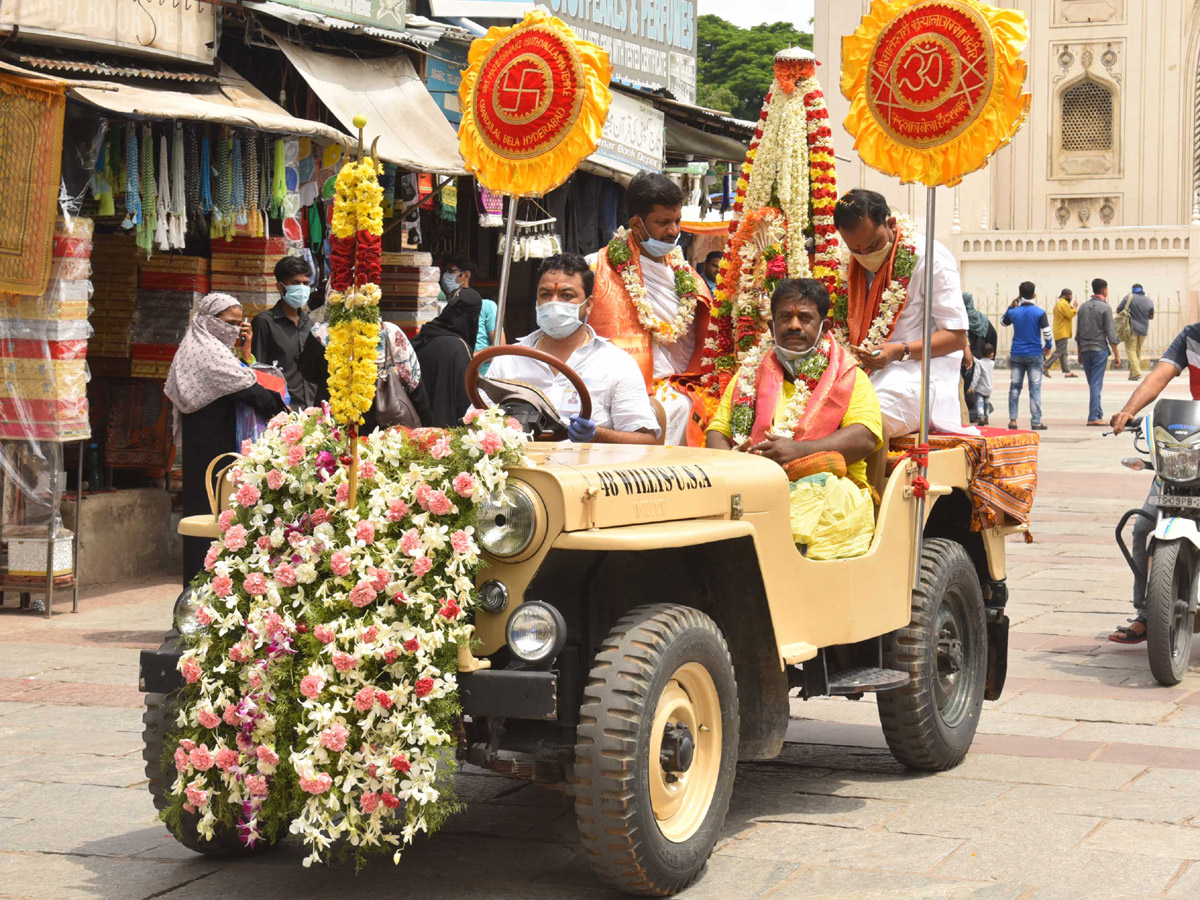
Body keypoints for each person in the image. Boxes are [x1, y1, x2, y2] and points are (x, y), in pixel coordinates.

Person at [707, 278, 882, 559]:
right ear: (771, 326)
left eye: (805, 318)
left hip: (830, 488)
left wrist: (798, 452)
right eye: (785, 317)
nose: (794, 326)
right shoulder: (747, 376)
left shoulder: (851, 377)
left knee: (800, 505)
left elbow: (864, 437)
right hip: (750, 485)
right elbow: (717, 431)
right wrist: (735, 465)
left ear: (824, 327)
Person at [165, 293, 287, 585]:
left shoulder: (211, 348)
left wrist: (246, 353)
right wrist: (285, 412)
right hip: (210, 449)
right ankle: (197, 599)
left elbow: (243, 376)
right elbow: (250, 390)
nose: (234, 330)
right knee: (209, 522)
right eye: (229, 323)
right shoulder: (206, 352)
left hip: (215, 446)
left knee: (222, 521)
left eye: (239, 324)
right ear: (208, 321)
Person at [833, 189, 971, 442]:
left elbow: (956, 337)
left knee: (868, 418)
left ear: (891, 223)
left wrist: (899, 351)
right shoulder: (848, 264)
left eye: (873, 246)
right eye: (856, 249)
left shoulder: (929, 258)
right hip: (860, 372)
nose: (865, 255)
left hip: (916, 372)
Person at [590, 172, 714, 446]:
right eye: (663, 222)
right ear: (636, 223)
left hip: (681, 389)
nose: (673, 231)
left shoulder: (687, 277)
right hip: (612, 392)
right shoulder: (596, 269)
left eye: (677, 221)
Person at [482, 254, 660, 443]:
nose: (554, 303)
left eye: (567, 296)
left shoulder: (617, 363)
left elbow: (645, 440)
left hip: (587, 468)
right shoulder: (508, 359)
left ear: (589, 305)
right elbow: (475, 421)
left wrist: (597, 435)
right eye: (545, 295)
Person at [1108, 323, 1200, 641]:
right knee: (1144, 527)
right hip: (1193, 448)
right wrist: (1129, 411)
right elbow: (1159, 375)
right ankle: (1147, 614)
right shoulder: (1191, 336)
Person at [312, 318, 433, 431]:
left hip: (333, 422)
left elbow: (309, 374)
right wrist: (427, 425)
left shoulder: (320, 333)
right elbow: (413, 383)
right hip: (384, 425)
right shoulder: (390, 331)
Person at [250, 256, 327, 410]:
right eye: (295, 283)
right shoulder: (265, 322)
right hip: (283, 409)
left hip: (312, 409)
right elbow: (259, 370)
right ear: (280, 286)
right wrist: (278, 404)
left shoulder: (310, 325)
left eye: (305, 283)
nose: (302, 287)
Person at [409, 290, 481, 427]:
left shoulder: (423, 338)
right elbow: (466, 404)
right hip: (444, 438)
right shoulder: (459, 349)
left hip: (414, 432)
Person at [1001, 282, 1052, 431]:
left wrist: (1011, 306)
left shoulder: (1014, 312)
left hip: (1017, 354)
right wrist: (1048, 346)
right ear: (1034, 295)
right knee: (1035, 388)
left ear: (1019, 295)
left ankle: (1013, 420)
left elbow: (1003, 323)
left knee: (1015, 387)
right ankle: (1036, 421)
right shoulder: (1039, 312)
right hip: (1035, 354)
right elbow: (1047, 332)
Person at [1076, 278, 1122, 425]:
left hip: (1085, 350)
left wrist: (1079, 353)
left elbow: (1078, 333)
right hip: (1099, 349)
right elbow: (1111, 333)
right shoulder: (1105, 308)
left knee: (1093, 383)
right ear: (1104, 290)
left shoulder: (1082, 307)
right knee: (1096, 383)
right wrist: (1117, 355)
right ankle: (1094, 416)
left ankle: (1098, 412)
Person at [961, 292, 997, 424]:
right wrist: (989, 356)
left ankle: (973, 413)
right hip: (980, 357)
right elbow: (993, 336)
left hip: (964, 359)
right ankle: (980, 413)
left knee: (967, 386)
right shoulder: (982, 320)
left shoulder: (958, 318)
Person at [1117, 284, 1155, 381]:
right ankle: (1133, 375)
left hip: (1131, 329)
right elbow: (1151, 317)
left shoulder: (1129, 297)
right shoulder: (1149, 301)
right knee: (1138, 351)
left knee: (1130, 350)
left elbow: (1118, 310)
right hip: (1143, 330)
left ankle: (1137, 372)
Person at [1045, 289, 1078, 378]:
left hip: (1060, 331)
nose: (1071, 297)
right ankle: (1046, 365)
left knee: (1063, 352)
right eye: (1070, 296)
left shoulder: (1061, 304)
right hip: (1062, 331)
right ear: (1064, 296)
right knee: (1060, 351)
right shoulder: (1062, 304)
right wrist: (1075, 308)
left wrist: (1071, 308)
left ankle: (1067, 371)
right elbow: (1070, 315)